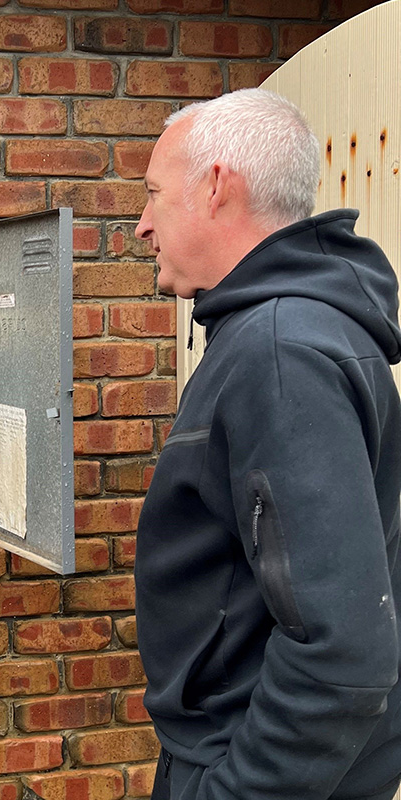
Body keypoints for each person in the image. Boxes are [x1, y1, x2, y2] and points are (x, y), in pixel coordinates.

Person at [135, 87, 401, 800]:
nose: (141, 225)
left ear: (217, 186)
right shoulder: (285, 331)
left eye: (155, 195)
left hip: (251, 771)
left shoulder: (281, 352)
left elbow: (341, 650)